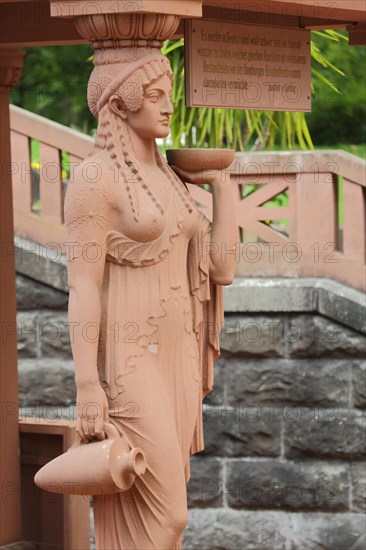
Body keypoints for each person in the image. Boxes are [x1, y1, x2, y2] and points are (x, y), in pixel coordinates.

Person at [64, 45, 237, 550]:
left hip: (178, 353)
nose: (168, 107)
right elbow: (81, 285)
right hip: (128, 358)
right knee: (169, 516)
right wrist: (86, 384)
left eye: (170, 96)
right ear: (120, 103)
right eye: (156, 96)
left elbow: (222, 268)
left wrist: (223, 189)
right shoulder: (95, 179)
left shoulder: (168, 177)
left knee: (163, 504)